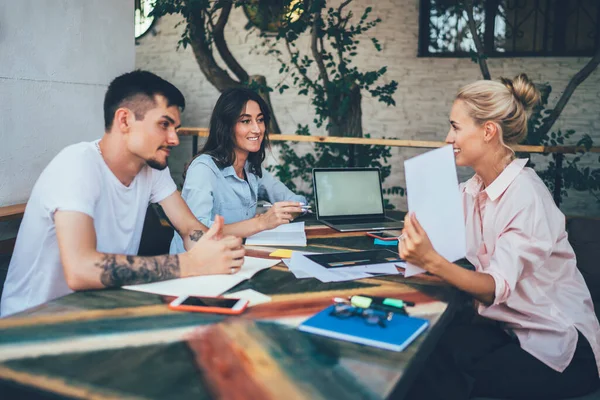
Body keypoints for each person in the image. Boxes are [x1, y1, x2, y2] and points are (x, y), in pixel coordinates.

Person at [397, 74, 600, 399]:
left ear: (488, 131)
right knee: (422, 352)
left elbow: (494, 288)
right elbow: (438, 240)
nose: (448, 138)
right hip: (510, 329)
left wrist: (431, 260)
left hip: (561, 346)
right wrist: (417, 241)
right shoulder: (471, 191)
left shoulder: (525, 195)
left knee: (461, 385)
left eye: (456, 127)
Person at [1, 70, 245, 317]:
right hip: (30, 323)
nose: (174, 139)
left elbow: (187, 228)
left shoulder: (152, 169)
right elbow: (81, 269)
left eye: (176, 128)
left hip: (97, 312)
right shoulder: (77, 164)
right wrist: (190, 264)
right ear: (125, 120)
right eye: (164, 125)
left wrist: (215, 249)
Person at [170, 88, 306, 254]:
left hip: (234, 257)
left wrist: (286, 213)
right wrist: (261, 222)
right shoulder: (203, 169)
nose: (257, 129)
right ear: (226, 126)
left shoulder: (251, 169)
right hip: (194, 266)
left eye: (260, 120)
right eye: (246, 121)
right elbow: (196, 235)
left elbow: (297, 201)